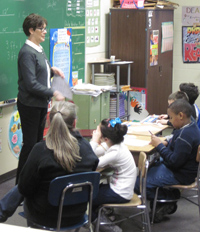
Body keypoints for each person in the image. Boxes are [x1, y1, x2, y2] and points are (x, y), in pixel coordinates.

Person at [0, 101, 99, 227]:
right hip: (77, 215)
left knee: (25, 184)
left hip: (44, 217)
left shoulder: (40, 150)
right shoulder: (86, 148)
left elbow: (24, 188)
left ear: (49, 122)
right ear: (74, 122)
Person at [16, 13, 65, 183]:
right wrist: (53, 92)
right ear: (31, 30)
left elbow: (40, 70)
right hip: (29, 105)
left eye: (45, 28)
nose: (45, 31)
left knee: (38, 145)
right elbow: (31, 84)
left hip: (40, 104)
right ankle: (19, 186)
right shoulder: (26, 52)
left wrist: (53, 70)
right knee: (30, 146)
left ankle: (32, 183)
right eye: (41, 29)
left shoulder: (38, 48)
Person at [135, 99, 200, 222]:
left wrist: (159, 146)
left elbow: (174, 162)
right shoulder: (189, 126)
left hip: (180, 174)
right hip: (179, 169)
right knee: (144, 174)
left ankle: (169, 199)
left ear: (181, 116)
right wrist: (165, 143)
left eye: (170, 118)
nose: (169, 121)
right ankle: (163, 199)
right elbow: (175, 148)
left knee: (139, 184)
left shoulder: (185, 136)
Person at [90, 118, 137, 232]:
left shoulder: (115, 152)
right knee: (94, 191)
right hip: (122, 189)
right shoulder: (116, 143)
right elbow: (96, 153)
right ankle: (102, 219)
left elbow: (91, 161)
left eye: (98, 131)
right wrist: (97, 141)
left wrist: (94, 140)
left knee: (87, 198)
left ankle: (110, 228)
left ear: (105, 139)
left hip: (121, 193)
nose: (96, 131)